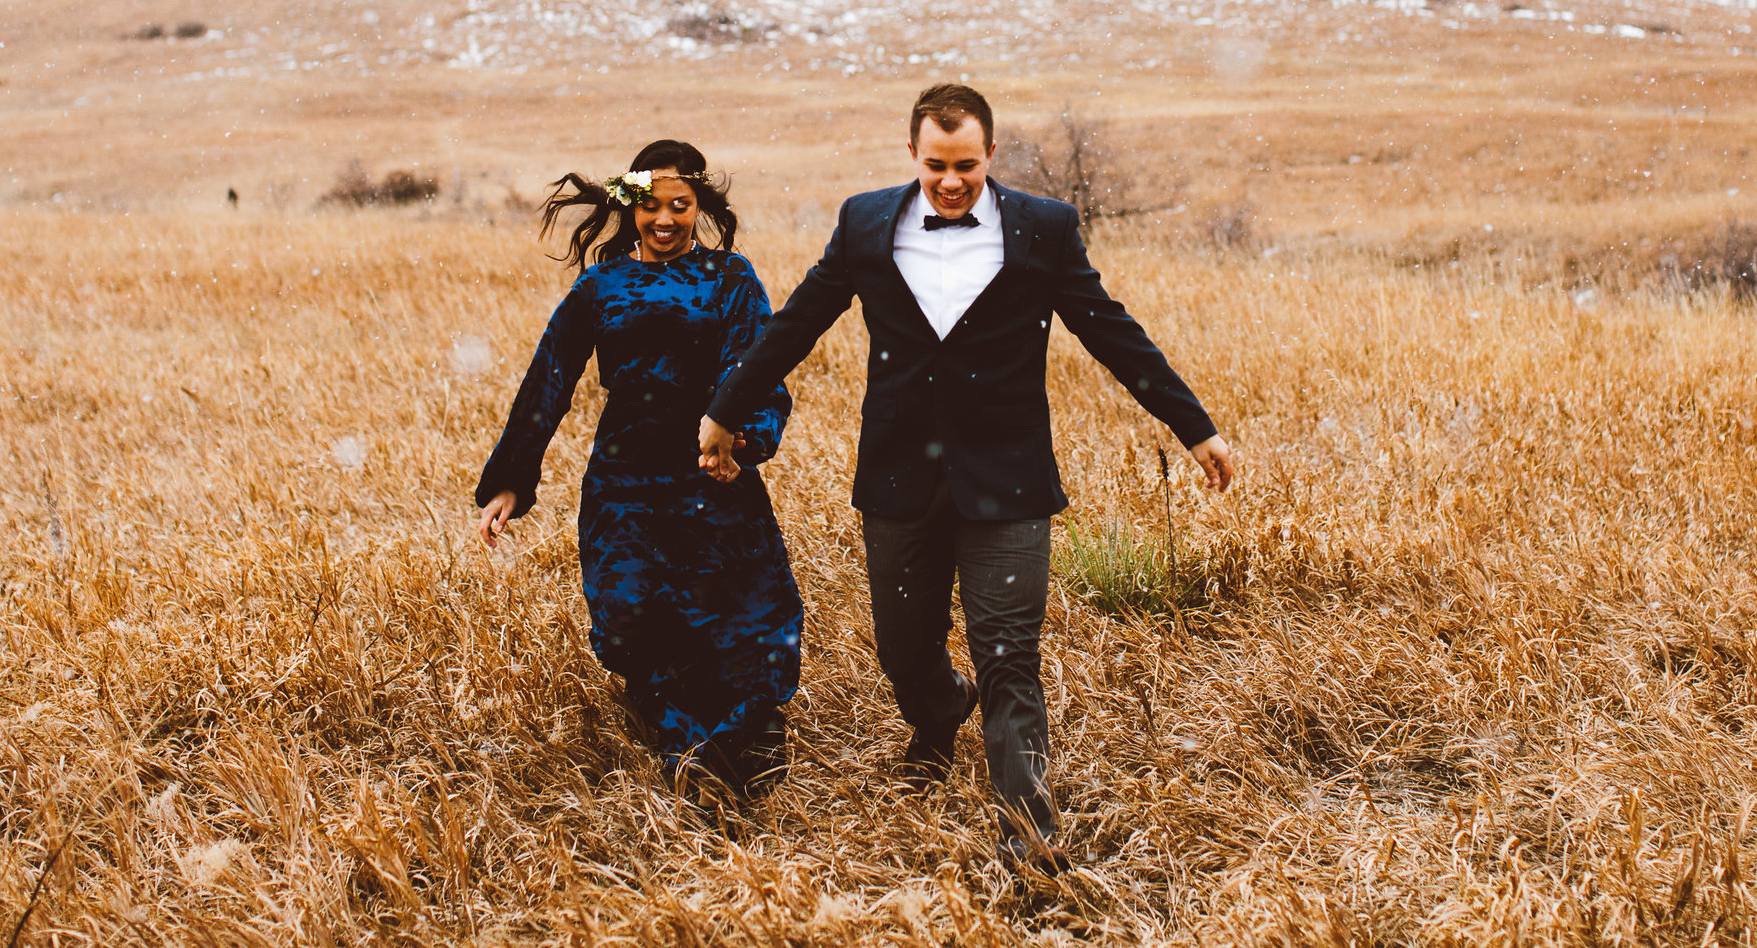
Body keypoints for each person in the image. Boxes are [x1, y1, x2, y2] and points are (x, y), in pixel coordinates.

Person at [699, 84, 1232, 870]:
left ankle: (1030, 834)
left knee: (1009, 652)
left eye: (967, 165)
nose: (951, 181)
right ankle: (940, 710)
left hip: (1008, 478)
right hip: (898, 475)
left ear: (992, 154)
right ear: (912, 154)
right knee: (904, 652)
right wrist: (724, 408)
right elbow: (797, 324)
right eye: (936, 165)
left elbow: (1111, 328)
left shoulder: (1043, 230)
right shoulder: (866, 222)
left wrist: (1194, 426)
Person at [476, 139, 801, 794]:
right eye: (650, 206)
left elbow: (759, 373)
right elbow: (550, 376)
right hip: (623, 485)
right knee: (629, 620)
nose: (664, 219)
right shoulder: (602, 285)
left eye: (680, 205)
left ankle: (745, 742)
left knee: (738, 620)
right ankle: (684, 745)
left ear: (698, 206)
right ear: (630, 208)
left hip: (713, 481)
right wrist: (512, 478)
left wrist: (740, 442)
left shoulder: (730, 279)